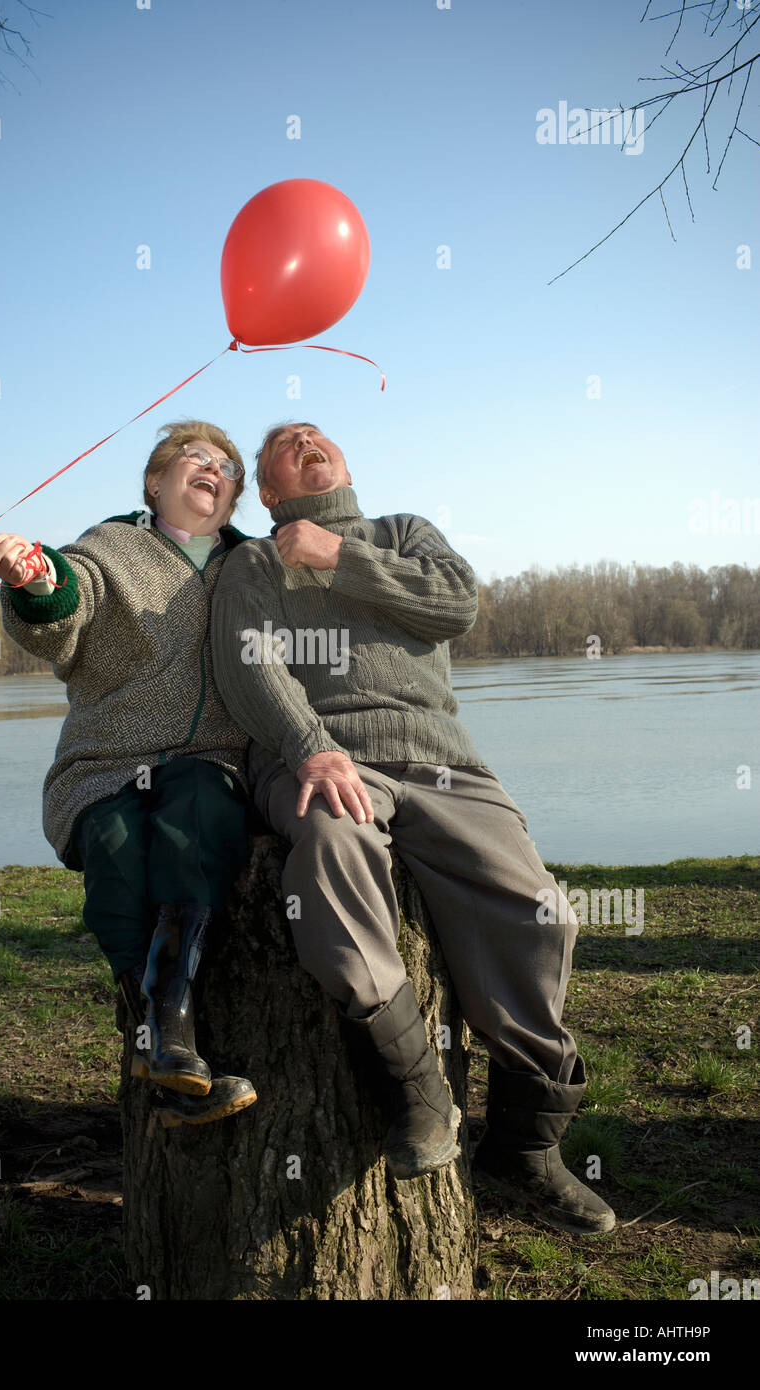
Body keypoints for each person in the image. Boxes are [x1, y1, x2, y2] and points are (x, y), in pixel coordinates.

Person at [210, 422, 615, 1233]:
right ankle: (418, 1091)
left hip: (443, 763)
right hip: (319, 756)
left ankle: (526, 1145)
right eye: (287, 445)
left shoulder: (403, 535)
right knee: (331, 847)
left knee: (542, 912)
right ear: (268, 489)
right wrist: (311, 749)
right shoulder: (251, 562)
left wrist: (336, 555)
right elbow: (247, 660)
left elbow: (454, 606)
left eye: (317, 435)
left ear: (346, 463)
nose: (306, 441)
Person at [0, 421, 257, 1129]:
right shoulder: (110, 547)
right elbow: (65, 603)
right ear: (155, 482)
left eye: (227, 467)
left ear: (231, 499)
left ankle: (166, 1038)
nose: (212, 468)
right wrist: (33, 577)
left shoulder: (252, 564)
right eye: (195, 458)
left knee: (198, 825)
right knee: (119, 850)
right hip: (105, 761)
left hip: (211, 755)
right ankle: (168, 1041)